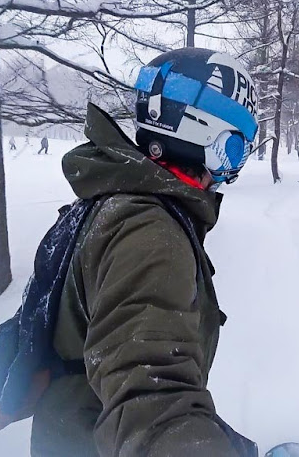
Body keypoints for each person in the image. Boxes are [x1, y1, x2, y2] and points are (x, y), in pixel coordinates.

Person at [30, 48, 261, 456]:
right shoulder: (151, 234)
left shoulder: (116, 198)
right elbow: (151, 396)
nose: (231, 171)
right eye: (234, 149)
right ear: (204, 134)